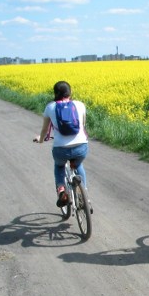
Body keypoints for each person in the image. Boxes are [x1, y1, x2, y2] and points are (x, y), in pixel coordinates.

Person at [34, 81, 90, 209]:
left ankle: (61, 191)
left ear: (55, 93)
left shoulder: (50, 107)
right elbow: (83, 124)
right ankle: (83, 195)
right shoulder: (80, 105)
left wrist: (41, 139)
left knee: (59, 166)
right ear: (70, 92)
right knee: (78, 164)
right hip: (81, 146)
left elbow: (45, 130)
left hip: (61, 149)